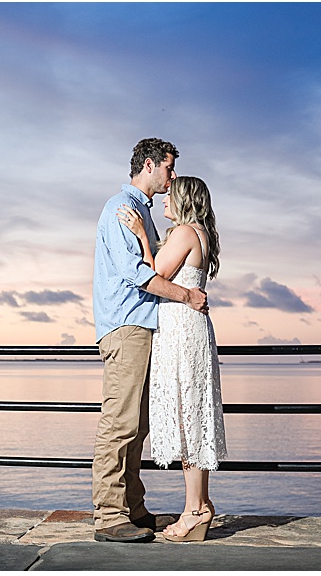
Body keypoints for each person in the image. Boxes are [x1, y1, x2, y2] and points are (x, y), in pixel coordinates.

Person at [92, 138, 209, 543]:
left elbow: (154, 263)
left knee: (138, 425)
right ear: (149, 165)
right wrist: (188, 296)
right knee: (120, 424)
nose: (172, 176)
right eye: (169, 168)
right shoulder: (120, 209)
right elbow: (138, 274)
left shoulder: (144, 213)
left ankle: (133, 508)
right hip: (126, 326)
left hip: (144, 327)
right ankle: (109, 516)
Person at [117, 175, 227, 542]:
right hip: (189, 328)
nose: (164, 199)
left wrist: (142, 237)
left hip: (181, 332)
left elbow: (153, 274)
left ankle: (194, 510)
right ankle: (201, 504)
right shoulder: (201, 233)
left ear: (184, 201)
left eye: (170, 197)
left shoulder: (183, 233)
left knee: (188, 420)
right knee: (192, 415)